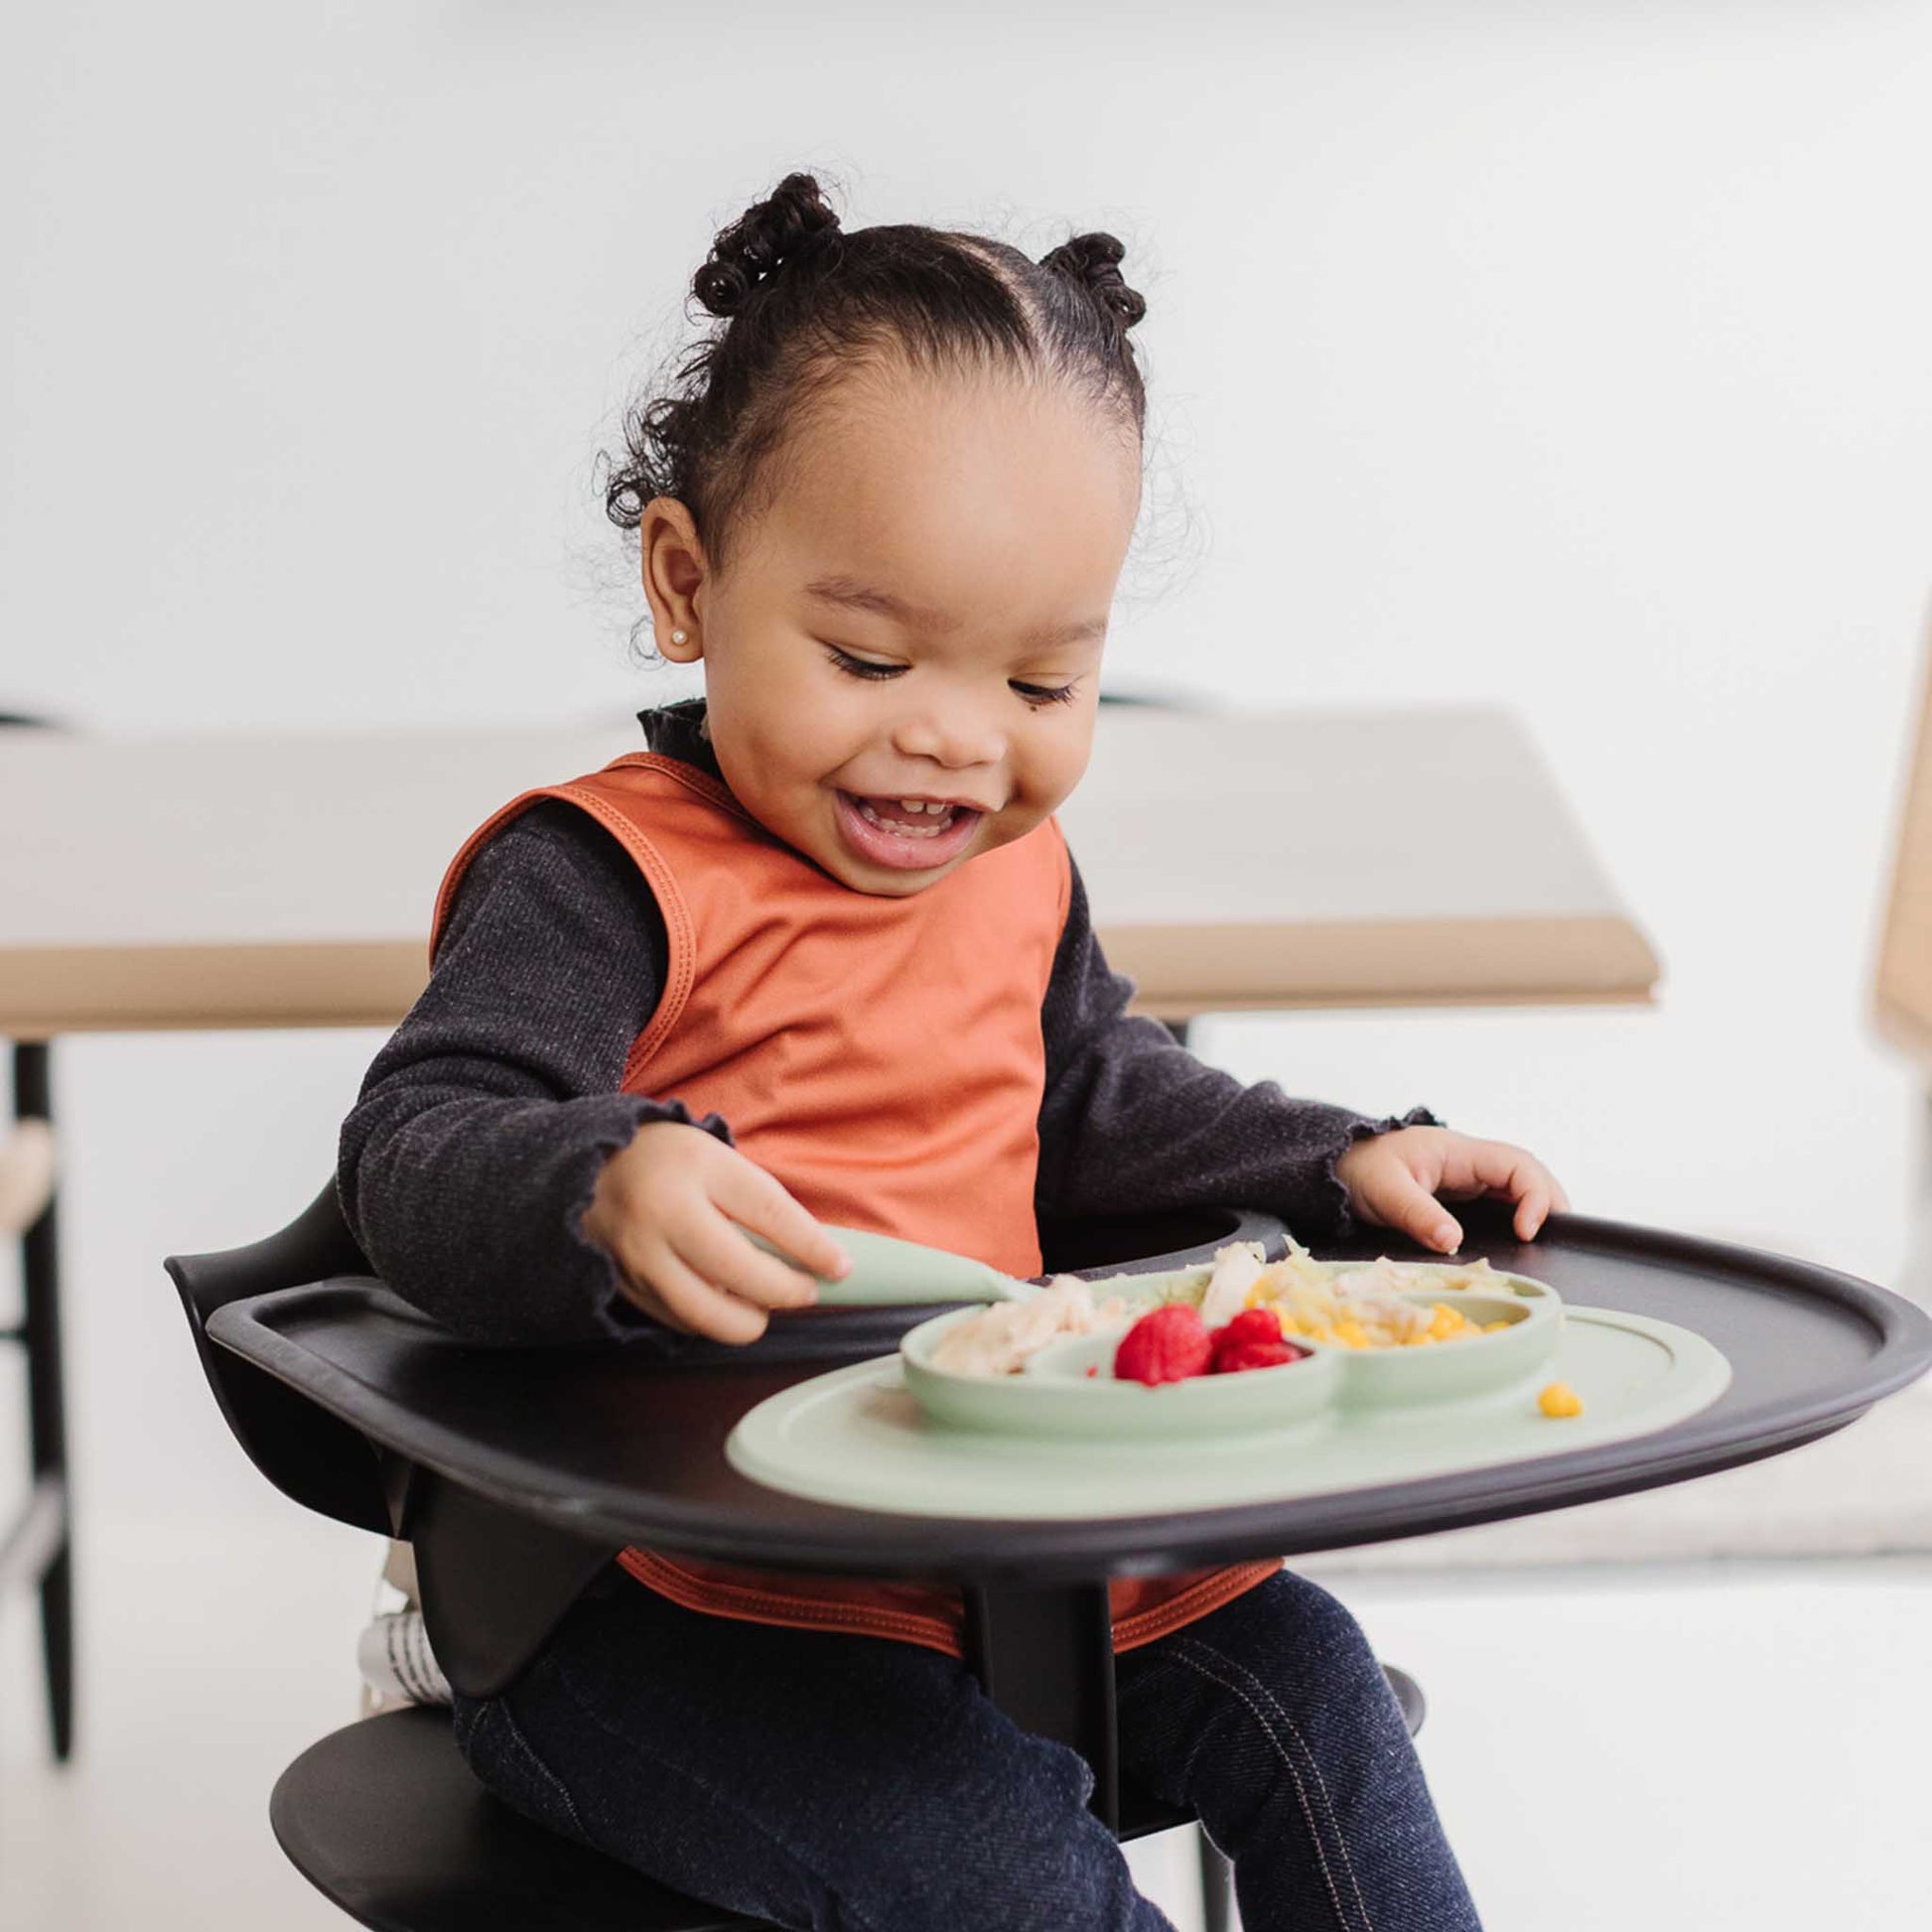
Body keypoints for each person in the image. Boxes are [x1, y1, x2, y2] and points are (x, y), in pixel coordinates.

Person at [340, 169, 1567, 1932]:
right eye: (865, 652)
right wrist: (599, 1181)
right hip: (652, 1603)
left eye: (1040, 685)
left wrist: (1332, 1160)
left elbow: (1096, 1102)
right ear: (686, 582)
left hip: (984, 1546)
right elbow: (413, 1141)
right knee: (1001, 1865)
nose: (948, 740)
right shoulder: (604, 876)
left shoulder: (1015, 868)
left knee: (1315, 1689)